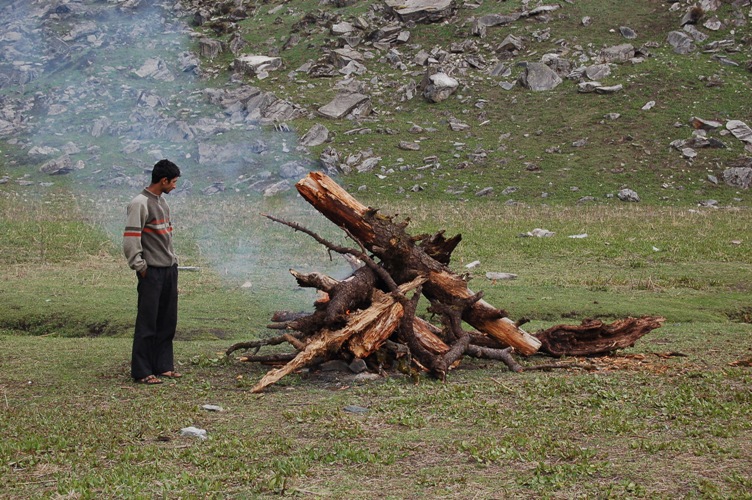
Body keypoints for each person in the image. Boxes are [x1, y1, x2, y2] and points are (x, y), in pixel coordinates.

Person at [123, 159, 183, 385]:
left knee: (167, 320)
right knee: (148, 321)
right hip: (152, 272)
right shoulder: (140, 203)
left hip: (168, 270)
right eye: (173, 182)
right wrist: (140, 266)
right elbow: (131, 238)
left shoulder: (163, 203)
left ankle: (163, 366)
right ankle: (142, 370)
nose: (174, 186)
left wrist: (173, 262)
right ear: (163, 180)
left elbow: (165, 237)